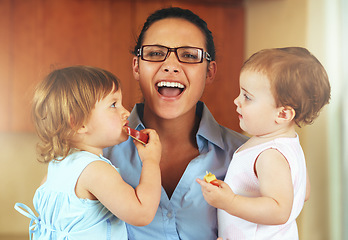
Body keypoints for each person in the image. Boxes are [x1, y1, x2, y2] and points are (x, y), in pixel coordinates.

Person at [103, 7, 247, 240]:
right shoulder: (96, 154)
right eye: (155, 53)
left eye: (190, 55)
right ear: (136, 66)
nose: (170, 65)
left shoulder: (247, 156)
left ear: (209, 72)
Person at [197, 47, 331, 239]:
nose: (237, 100)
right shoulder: (290, 144)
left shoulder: (270, 155)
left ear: (283, 114)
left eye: (247, 97)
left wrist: (230, 201)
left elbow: (279, 211)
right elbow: (303, 192)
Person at [14, 66, 162, 240]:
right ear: (78, 122)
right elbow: (142, 213)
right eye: (113, 105)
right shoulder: (96, 170)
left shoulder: (56, 166)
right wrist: (151, 161)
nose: (126, 112)